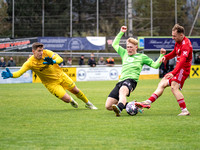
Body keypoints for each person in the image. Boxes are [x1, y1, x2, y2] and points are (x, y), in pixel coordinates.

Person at [1, 42, 97, 110]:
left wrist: (54, 61)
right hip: (51, 84)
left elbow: (60, 59)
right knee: (67, 99)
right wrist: (11, 75)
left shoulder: (47, 53)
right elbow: (19, 73)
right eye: (39, 51)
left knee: (75, 90)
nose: (41, 52)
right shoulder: (29, 63)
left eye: (41, 50)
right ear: (33, 51)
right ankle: (71, 100)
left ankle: (89, 104)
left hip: (61, 76)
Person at [105, 26, 166, 117]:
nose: (129, 49)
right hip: (121, 81)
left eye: (131, 47)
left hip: (131, 81)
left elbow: (155, 65)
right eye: (127, 47)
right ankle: (134, 105)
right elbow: (114, 44)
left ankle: (119, 109)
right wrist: (121, 32)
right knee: (108, 106)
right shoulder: (124, 53)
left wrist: (161, 56)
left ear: (136, 47)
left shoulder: (142, 57)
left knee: (122, 91)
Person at [135, 24, 193, 116]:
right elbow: (174, 53)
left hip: (183, 69)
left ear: (181, 35)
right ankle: (148, 102)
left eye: (174, 36)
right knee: (162, 83)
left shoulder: (186, 44)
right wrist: (165, 57)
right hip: (178, 69)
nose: (172, 38)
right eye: (172, 35)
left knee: (174, 87)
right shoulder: (178, 42)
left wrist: (173, 73)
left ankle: (185, 110)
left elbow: (182, 61)